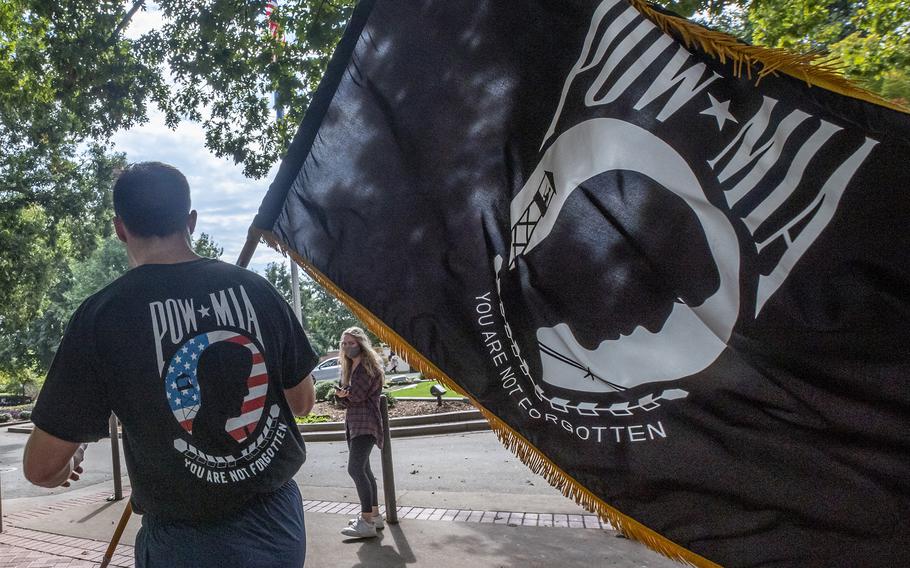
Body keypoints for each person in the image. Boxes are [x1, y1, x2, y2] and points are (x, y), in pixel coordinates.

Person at [22, 162, 318, 568]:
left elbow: (40, 467)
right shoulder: (257, 291)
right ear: (191, 220)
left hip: (183, 543)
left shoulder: (102, 316)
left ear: (120, 228)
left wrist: (64, 467)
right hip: (278, 524)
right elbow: (301, 403)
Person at [334, 327, 385, 538]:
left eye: (351, 343)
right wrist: (342, 396)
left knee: (355, 469)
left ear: (361, 344)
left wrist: (343, 395)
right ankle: (374, 515)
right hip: (356, 423)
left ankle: (366, 523)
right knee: (365, 470)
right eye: (344, 343)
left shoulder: (365, 366)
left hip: (365, 423)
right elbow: (347, 399)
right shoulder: (352, 366)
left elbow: (357, 395)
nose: (347, 347)